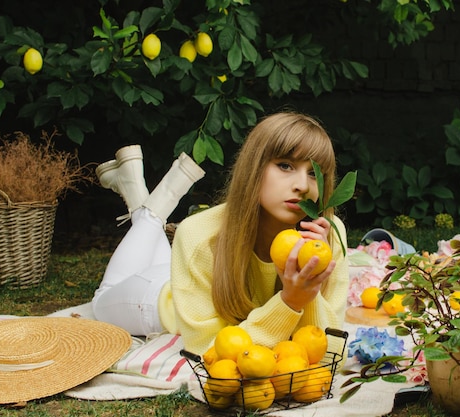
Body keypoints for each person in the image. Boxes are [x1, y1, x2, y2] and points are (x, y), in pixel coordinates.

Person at [91, 111, 349, 356]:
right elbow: (210, 350)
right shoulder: (198, 234)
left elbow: (329, 351)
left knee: (165, 252)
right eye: (285, 165)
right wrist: (289, 302)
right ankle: (147, 210)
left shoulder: (327, 236)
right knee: (101, 301)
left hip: (190, 274)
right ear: (254, 168)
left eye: (314, 174)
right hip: (156, 300)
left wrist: (307, 290)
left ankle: (138, 192)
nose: (303, 186)